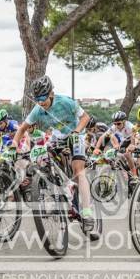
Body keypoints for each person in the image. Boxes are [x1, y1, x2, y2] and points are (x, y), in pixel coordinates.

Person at [9, 75, 96, 233]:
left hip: (76, 135)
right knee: (41, 157)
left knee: (78, 171)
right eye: (37, 99)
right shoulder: (37, 109)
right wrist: (13, 146)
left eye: (43, 98)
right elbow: (22, 129)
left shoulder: (66, 102)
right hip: (57, 137)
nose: (41, 102)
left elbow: (85, 118)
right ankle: (57, 189)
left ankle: (87, 212)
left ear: (51, 94)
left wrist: (76, 132)